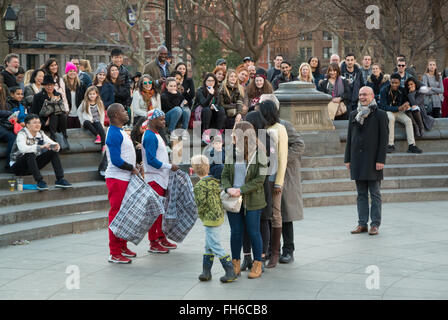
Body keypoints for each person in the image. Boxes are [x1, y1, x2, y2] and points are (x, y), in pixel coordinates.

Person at [221, 121, 267, 279]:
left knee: (254, 232)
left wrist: (241, 190)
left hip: (252, 200)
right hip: (233, 200)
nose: (233, 136)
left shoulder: (260, 153)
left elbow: (260, 180)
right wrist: (228, 189)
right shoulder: (231, 152)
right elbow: (225, 175)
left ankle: (257, 264)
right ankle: (235, 264)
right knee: (236, 232)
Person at [345, 87, 388, 236]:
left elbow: (384, 140)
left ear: (372, 96)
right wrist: (347, 159)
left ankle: (375, 224)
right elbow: (350, 139)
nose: (362, 97)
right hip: (357, 159)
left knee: (375, 193)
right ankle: (362, 223)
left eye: (365, 94)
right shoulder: (353, 114)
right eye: (360, 94)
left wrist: (381, 159)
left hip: (373, 161)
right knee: (361, 194)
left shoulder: (380, 115)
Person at [192, 154, 237, 283]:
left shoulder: (199, 186)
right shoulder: (214, 181)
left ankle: (230, 271)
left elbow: (201, 204)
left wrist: (201, 216)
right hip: (218, 215)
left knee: (215, 245)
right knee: (208, 245)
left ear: (194, 169)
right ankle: (206, 272)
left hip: (210, 219)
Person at [104, 103, 140, 264]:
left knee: (124, 214)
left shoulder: (120, 131)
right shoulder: (112, 133)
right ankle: (114, 252)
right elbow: (117, 160)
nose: (126, 113)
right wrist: (132, 168)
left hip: (124, 177)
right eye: (124, 111)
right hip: (117, 178)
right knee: (116, 214)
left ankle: (122, 246)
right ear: (116, 115)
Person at [141, 109, 179, 253]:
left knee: (161, 212)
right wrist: (170, 166)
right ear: (152, 120)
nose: (164, 122)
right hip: (154, 178)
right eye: (161, 119)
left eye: (164, 119)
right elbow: (151, 160)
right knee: (155, 213)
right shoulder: (150, 136)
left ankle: (161, 237)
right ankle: (153, 242)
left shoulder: (155, 134)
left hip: (160, 177)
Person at [258, 100, 288, 269]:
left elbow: (283, 157)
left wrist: (279, 182)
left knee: (275, 214)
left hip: (273, 177)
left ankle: (275, 252)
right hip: (260, 178)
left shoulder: (280, 128)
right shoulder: (261, 128)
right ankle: (264, 250)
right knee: (264, 215)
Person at [9, 114, 72, 191]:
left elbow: (52, 143)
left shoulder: (41, 133)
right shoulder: (22, 133)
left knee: (53, 152)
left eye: (39, 122)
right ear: (27, 125)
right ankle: (40, 181)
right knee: (30, 153)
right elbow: (23, 149)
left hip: (32, 165)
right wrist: (41, 147)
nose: (38, 125)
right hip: (18, 167)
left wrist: (55, 146)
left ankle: (60, 180)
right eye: (34, 123)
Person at [379, 73, 422, 154]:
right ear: (390, 82)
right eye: (392, 83)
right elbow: (382, 106)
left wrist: (406, 103)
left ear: (399, 82)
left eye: (396, 83)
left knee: (408, 120)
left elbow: (407, 100)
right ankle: (390, 144)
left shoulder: (402, 90)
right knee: (390, 118)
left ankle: (411, 145)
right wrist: (398, 108)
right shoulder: (384, 90)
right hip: (388, 112)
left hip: (399, 112)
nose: (394, 85)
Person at [31, 74, 68, 143]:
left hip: (58, 121)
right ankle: (53, 137)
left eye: (51, 85)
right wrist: (44, 122)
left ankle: (64, 135)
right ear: (44, 85)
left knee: (61, 114)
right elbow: (34, 113)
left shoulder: (58, 94)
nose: (50, 87)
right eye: (47, 85)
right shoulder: (37, 96)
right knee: (53, 115)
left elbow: (62, 108)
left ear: (54, 85)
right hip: (44, 122)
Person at [64, 62, 86, 129]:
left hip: (78, 114)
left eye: (74, 71)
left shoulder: (80, 84)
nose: (72, 73)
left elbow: (84, 97)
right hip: (68, 114)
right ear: (67, 72)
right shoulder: (63, 84)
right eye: (70, 71)